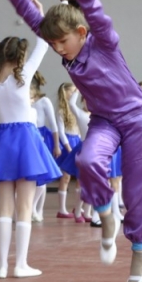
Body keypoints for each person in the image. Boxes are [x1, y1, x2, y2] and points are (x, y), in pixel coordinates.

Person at [0, 0, 142, 282]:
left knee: (138, 189)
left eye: (62, 42)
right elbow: (32, 17)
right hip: (104, 120)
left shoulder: (104, 42)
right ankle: (106, 214)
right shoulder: (64, 47)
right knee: (86, 160)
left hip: (137, 119)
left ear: (82, 32)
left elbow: (96, 12)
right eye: (52, 43)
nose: (57, 49)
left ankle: (140, 256)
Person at [0, 0, 61, 279]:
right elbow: (44, 43)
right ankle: (20, 264)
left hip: (4, 139)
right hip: (26, 139)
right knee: (24, 207)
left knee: (5, 208)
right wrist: (39, 15)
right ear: (20, 56)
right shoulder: (25, 76)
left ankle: (1, 265)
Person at [30, 71, 60, 223]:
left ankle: (38, 209)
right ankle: (32, 208)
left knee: (43, 175)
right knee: (31, 174)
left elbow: (54, 125)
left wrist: (56, 145)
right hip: (30, 134)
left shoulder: (44, 101)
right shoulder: (25, 100)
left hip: (42, 137)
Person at [55, 82, 81, 218]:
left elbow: (80, 128)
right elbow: (61, 132)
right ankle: (62, 209)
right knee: (65, 176)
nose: (73, 93)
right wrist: (68, 148)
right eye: (71, 91)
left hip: (77, 141)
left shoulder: (75, 109)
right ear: (64, 92)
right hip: (67, 143)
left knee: (80, 177)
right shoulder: (61, 111)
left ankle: (78, 207)